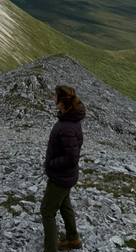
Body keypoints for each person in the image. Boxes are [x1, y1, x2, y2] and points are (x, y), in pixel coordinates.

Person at [41, 85, 86, 251]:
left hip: (60, 177)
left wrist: (51, 164)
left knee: (47, 210)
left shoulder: (66, 126)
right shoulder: (71, 120)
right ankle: (73, 238)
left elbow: (72, 157)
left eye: (55, 97)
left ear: (61, 102)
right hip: (66, 176)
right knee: (64, 203)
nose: (54, 99)